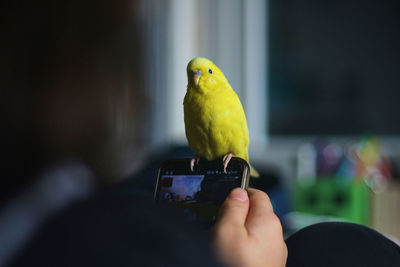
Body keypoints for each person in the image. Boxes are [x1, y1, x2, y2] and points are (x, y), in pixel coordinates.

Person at [1, 1, 399, 267]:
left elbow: (237, 136)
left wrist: (234, 158)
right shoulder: (114, 239)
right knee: (343, 248)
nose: (197, 76)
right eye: (194, 71)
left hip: (230, 156)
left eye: (204, 71)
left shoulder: (227, 98)